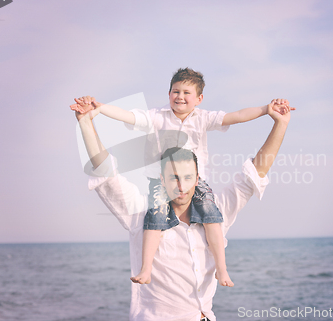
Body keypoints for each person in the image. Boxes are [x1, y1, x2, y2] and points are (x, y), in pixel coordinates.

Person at [71, 68, 294, 287]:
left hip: (199, 185)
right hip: (158, 183)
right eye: (175, 92)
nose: (180, 97)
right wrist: (98, 110)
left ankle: (222, 269)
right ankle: (146, 268)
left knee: (213, 219)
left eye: (187, 93)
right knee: (153, 221)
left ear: (199, 98)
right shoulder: (156, 117)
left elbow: (235, 117)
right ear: (169, 94)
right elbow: (128, 116)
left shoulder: (203, 118)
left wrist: (267, 110)